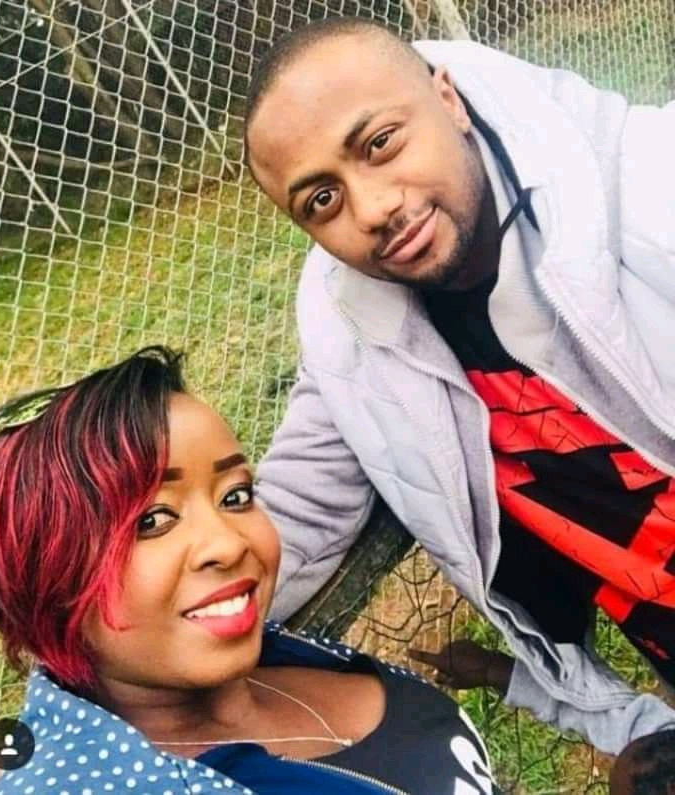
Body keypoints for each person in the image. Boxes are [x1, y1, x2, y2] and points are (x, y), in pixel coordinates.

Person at [242, 16, 675, 755]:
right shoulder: (353, 345)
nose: (373, 209)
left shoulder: (645, 183)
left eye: (380, 143)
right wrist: (110, 661)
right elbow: (291, 524)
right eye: (322, 201)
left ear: (449, 99)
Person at [0, 345, 499, 794]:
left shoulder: (275, 652)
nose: (229, 542)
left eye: (236, 496)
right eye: (152, 520)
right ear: (45, 582)